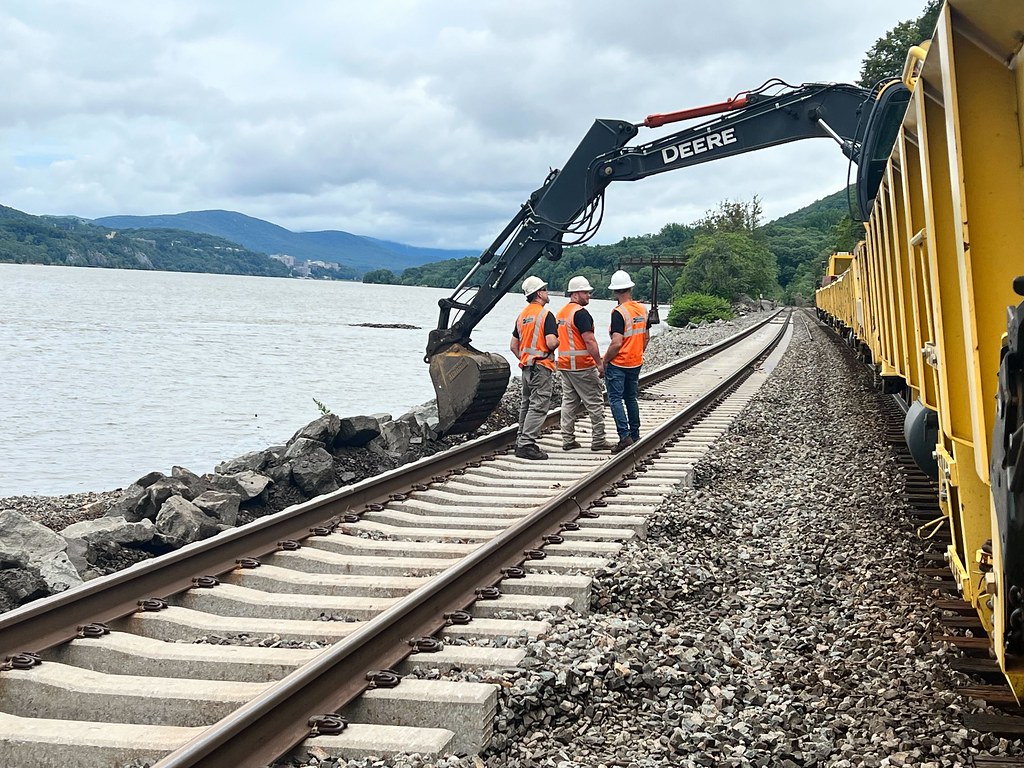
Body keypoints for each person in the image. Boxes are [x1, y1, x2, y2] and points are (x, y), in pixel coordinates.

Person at [556, 276, 613, 452]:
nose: (589, 295)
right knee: (594, 402)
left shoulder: (561, 313)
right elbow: (590, 341)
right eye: (586, 292)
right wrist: (599, 363)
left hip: (565, 365)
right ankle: (598, 440)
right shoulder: (580, 314)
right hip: (582, 365)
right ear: (576, 293)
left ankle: (567, 439)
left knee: (569, 402)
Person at [510, 275, 559, 460]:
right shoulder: (546, 315)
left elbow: (513, 346)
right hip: (541, 366)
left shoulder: (522, 316)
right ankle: (526, 444)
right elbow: (551, 342)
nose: (547, 292)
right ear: (539, 293)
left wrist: (526, 358)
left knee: (526, 403)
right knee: (538, 405)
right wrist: (559, 339)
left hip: (527, 367)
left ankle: (520, 439)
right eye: (545, 289)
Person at [601, 269, 649, 453]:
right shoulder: (642, 309)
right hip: (636, 361)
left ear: (615, 291)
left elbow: (616, 342)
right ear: (630, 288)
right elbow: (646, 337)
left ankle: (624, 436)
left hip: (619, 363)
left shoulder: (618, 313)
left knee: (615, 399)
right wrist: (638, 352)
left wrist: (605, 361)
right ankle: (635, 433)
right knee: (631, 397)